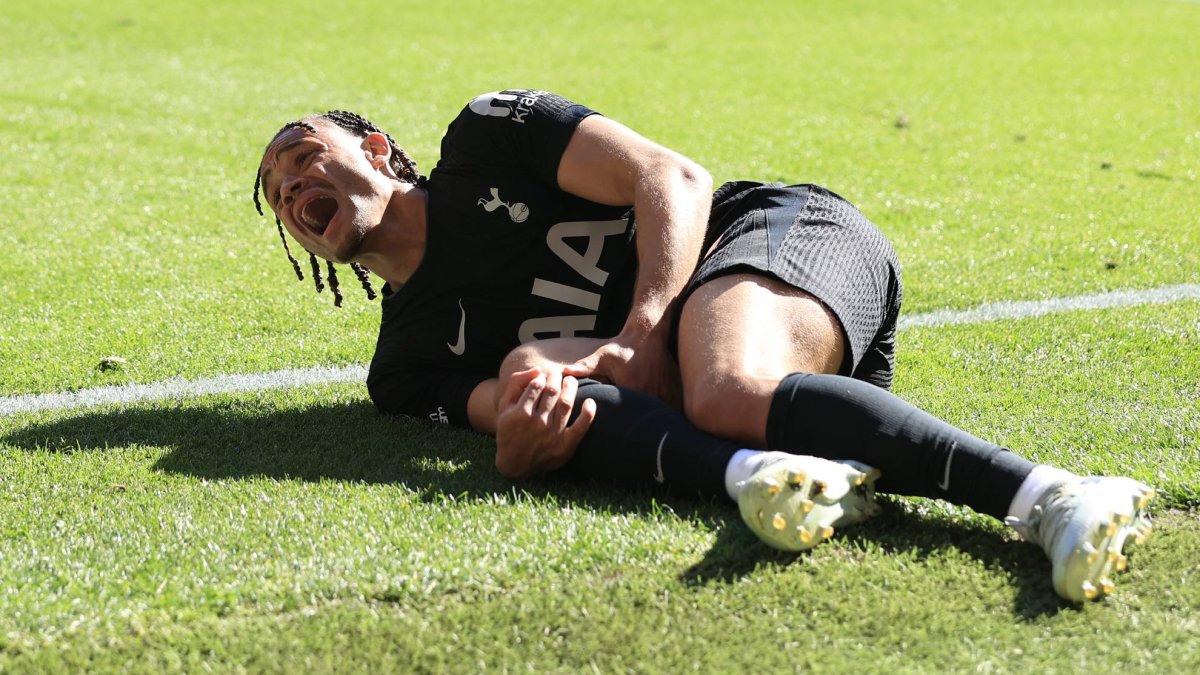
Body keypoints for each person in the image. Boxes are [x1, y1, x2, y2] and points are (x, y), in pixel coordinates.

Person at [252, 90, 1155, 602]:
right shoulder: (401, 366)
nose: (293, 189)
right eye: (278, 196)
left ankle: (1056, 495)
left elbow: (672, 176)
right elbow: (507, 408)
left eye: (302, 155)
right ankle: (784, 477)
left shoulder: (488, 136)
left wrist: (642, 332)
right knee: (532, 375)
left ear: (377, 149)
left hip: (775, 241)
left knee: (723, 385)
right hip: (718, 380)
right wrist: (520, 444)